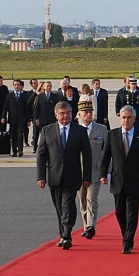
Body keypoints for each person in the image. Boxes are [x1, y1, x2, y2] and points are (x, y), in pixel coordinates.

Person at [36, 102, 92, 250]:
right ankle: (63, 235)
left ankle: (66, 235)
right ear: (56, 115)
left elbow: (87, 156)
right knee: (60, 208)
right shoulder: (47, 131)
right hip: (54, 176)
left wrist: (87, 177)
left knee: (67, 206)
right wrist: (40, 176)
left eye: (68, 113)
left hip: (73, 176)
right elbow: (41, 155)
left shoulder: (79, 131)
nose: (65, 116)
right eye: (62, 113)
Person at [100, 105, 139, 254]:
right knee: (119, 211)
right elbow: (106, 157)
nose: (126, 120)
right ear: (120, 118)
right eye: (123, 117)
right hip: (118, 180)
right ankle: (126, 233)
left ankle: (128, 241)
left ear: (134, 119)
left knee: (132, 213)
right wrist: (103, 174)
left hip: (135, 180)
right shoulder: (112, 135)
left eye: (129, 117)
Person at [75, 97, 108, 240]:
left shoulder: (101, 129)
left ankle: (91, 226)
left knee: (91, 199)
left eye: (90, 112)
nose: (89, 115)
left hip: (95, 171)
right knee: (82, 201)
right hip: (78, 171)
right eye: (86, 112)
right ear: (79, 114)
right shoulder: (74, 129)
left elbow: (107, 152)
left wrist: (107, 171)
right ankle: (85, 226)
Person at [1, 79, 29, 157]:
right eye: (15, 85)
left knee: (20, 135)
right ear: (13, 86)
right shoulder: (9, 96)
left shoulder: (24, 96)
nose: (16, 86)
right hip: (12, 119)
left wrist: (28, 119)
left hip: (21, 119)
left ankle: (20, 150)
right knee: (13, 136)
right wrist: (3, 117)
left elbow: (26, 109)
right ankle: (14, 151)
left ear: (20, 86)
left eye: (18, 85)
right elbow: (5, 107)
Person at [33, 81, 59, 154]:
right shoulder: (39, 97)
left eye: (50, 86)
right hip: (42, 120)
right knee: (43, 135)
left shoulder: (55, 96)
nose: (49, 88)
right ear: (44, 87)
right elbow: (36, 109)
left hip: (52, 120)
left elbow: (57, 108)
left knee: (52, 135)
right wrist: (36, 118)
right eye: (47, 86)